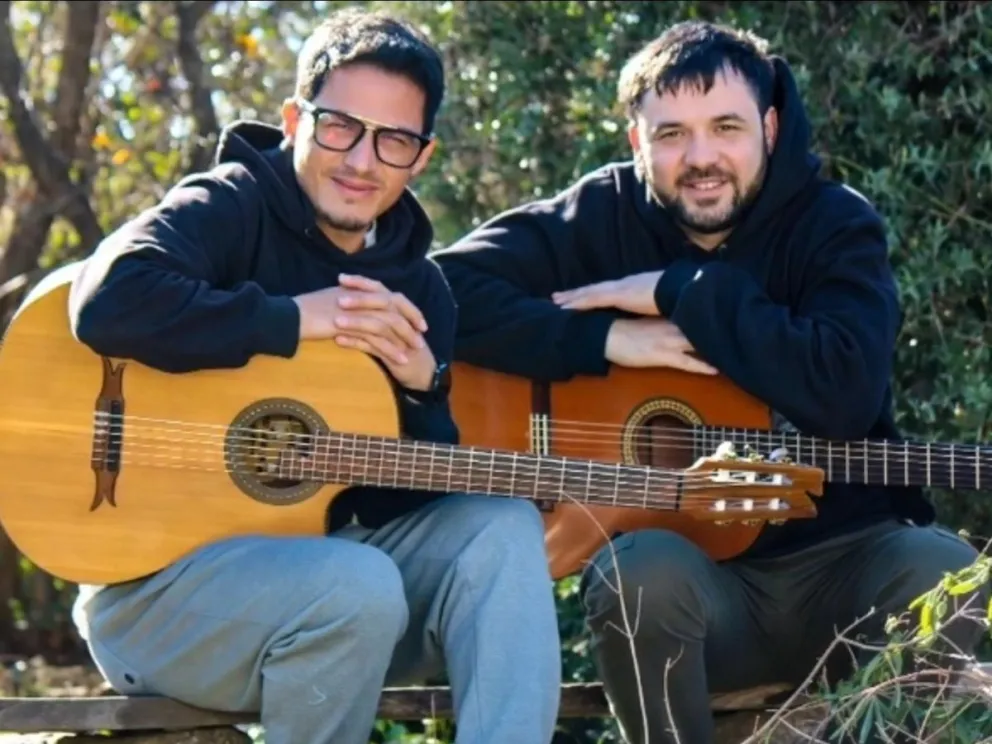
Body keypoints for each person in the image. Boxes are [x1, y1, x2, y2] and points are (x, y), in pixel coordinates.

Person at [433, 20, 989, 744]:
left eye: (725, 127)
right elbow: (442, 290)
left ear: (769, 124)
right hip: (696, 594)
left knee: (945, 569)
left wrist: (684, 290)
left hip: (846, 573)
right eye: (670, 135)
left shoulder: (834, 226)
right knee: (636, 575)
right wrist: (603, 338)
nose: (701, 159)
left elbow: (844, 394)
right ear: (637, 142)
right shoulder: (599, 217)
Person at [67, 9, 561, 744]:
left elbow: (391, 504)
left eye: (392, 139)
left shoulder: (418, 294)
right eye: (339, 126)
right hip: (156, 598)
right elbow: (108, 302)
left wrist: (424, 391)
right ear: (296, 118)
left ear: (420, 158)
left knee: (502, 528)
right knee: (353, 584)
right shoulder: (229, 207)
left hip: (335, 598)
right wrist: (297, 319)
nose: (361, 160)